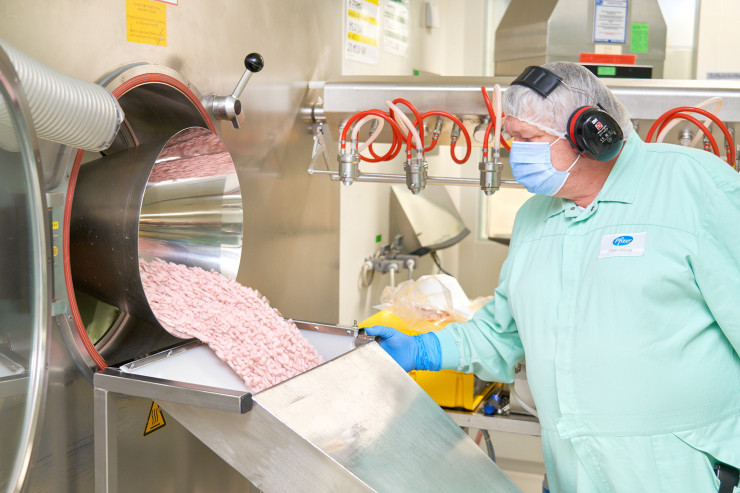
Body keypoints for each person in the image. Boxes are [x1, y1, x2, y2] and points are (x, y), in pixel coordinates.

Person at [366, 62, 740, 493]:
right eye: (511, 139)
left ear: (592, 134)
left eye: (528, 139)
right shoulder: (535, 216)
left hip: (684, 475)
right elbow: (502, 332)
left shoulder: (693, 186)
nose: (515, 154)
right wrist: (422, 349)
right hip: (572, 475)